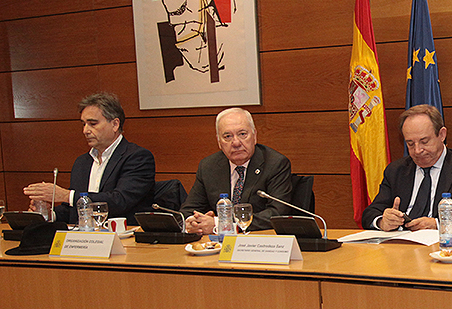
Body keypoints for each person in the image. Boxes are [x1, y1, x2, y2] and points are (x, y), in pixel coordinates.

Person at [23, 93, 156, 225]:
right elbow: (74, 210)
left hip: (123, 239)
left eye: (92, 124)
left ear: (115, 124)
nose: (85, 131)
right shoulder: (82, 162)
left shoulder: (137, 157)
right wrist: (49, 213)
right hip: (84, 239)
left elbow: (120, 201)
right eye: (84, 124)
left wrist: (66, 195)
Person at [362, 104, 452, 231]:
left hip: (445, 248)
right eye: (410, 144)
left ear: (442, 135)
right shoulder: (396, 170)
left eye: (424, 142)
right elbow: (370, 213)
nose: (417, 150)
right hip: (400, 248)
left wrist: (438, 223)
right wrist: (382, 221)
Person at [183, 108, 293, 234]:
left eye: (242, 134)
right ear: (219, 142)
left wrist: (219, 224)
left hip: (258, 241)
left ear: (254, 136)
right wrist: (194, 222)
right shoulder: (208, 166)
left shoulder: (275, 164)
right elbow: (188, 210)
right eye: (227, 136)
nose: (236, 143)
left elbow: (276, 214)